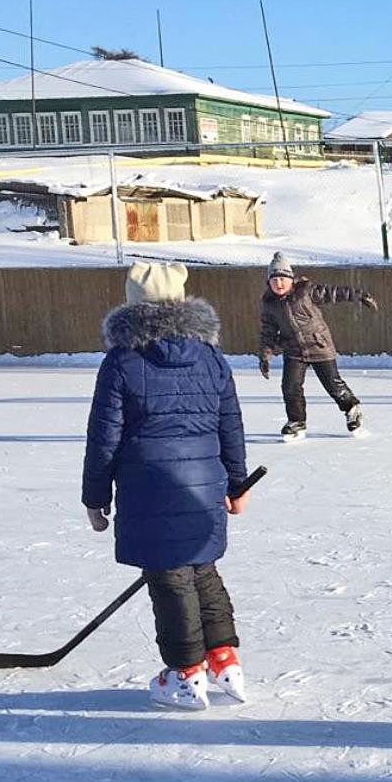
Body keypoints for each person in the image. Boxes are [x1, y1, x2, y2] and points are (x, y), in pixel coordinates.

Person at [82, 261, 254, 711]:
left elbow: (104, 435)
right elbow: (230, 425)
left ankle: (185, 674)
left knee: (171, 578)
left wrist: (95, 497)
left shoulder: (122, 360)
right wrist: (237, 482)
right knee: (202, 568)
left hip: (150, 488)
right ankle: (223, 658)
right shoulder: (210, 356)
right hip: (204, 485)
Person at [258, 251, 378, 440]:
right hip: (294, 350)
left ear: (291, 279)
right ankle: (296, 422)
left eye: (283, 279)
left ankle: (352, 409)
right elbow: (268, 331)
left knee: (333, 384)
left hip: (318, 345)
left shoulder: (304, 291)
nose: (279, 284)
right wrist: (265, 355)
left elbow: (333, 293)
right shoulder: (269, 303)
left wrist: (359, 295)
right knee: (290, 386)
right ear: (269, 283)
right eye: (274, 280)